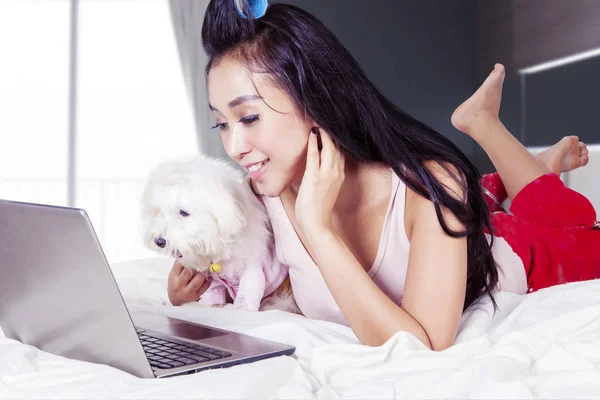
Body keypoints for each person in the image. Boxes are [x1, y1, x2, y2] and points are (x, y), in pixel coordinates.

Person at [167, 0, 600, 351]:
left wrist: (318, 230)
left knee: (573, 221)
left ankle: (490, 130)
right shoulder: (259, 199)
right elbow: (241, 274)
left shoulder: (429, 188)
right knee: (477, 193)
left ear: (315, 100)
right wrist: (189, 291)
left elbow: (423, 345)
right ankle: (531, 168)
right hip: (454, 215)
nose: (233, 147)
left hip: (511, 251)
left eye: (248, 117)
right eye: (221, 124)